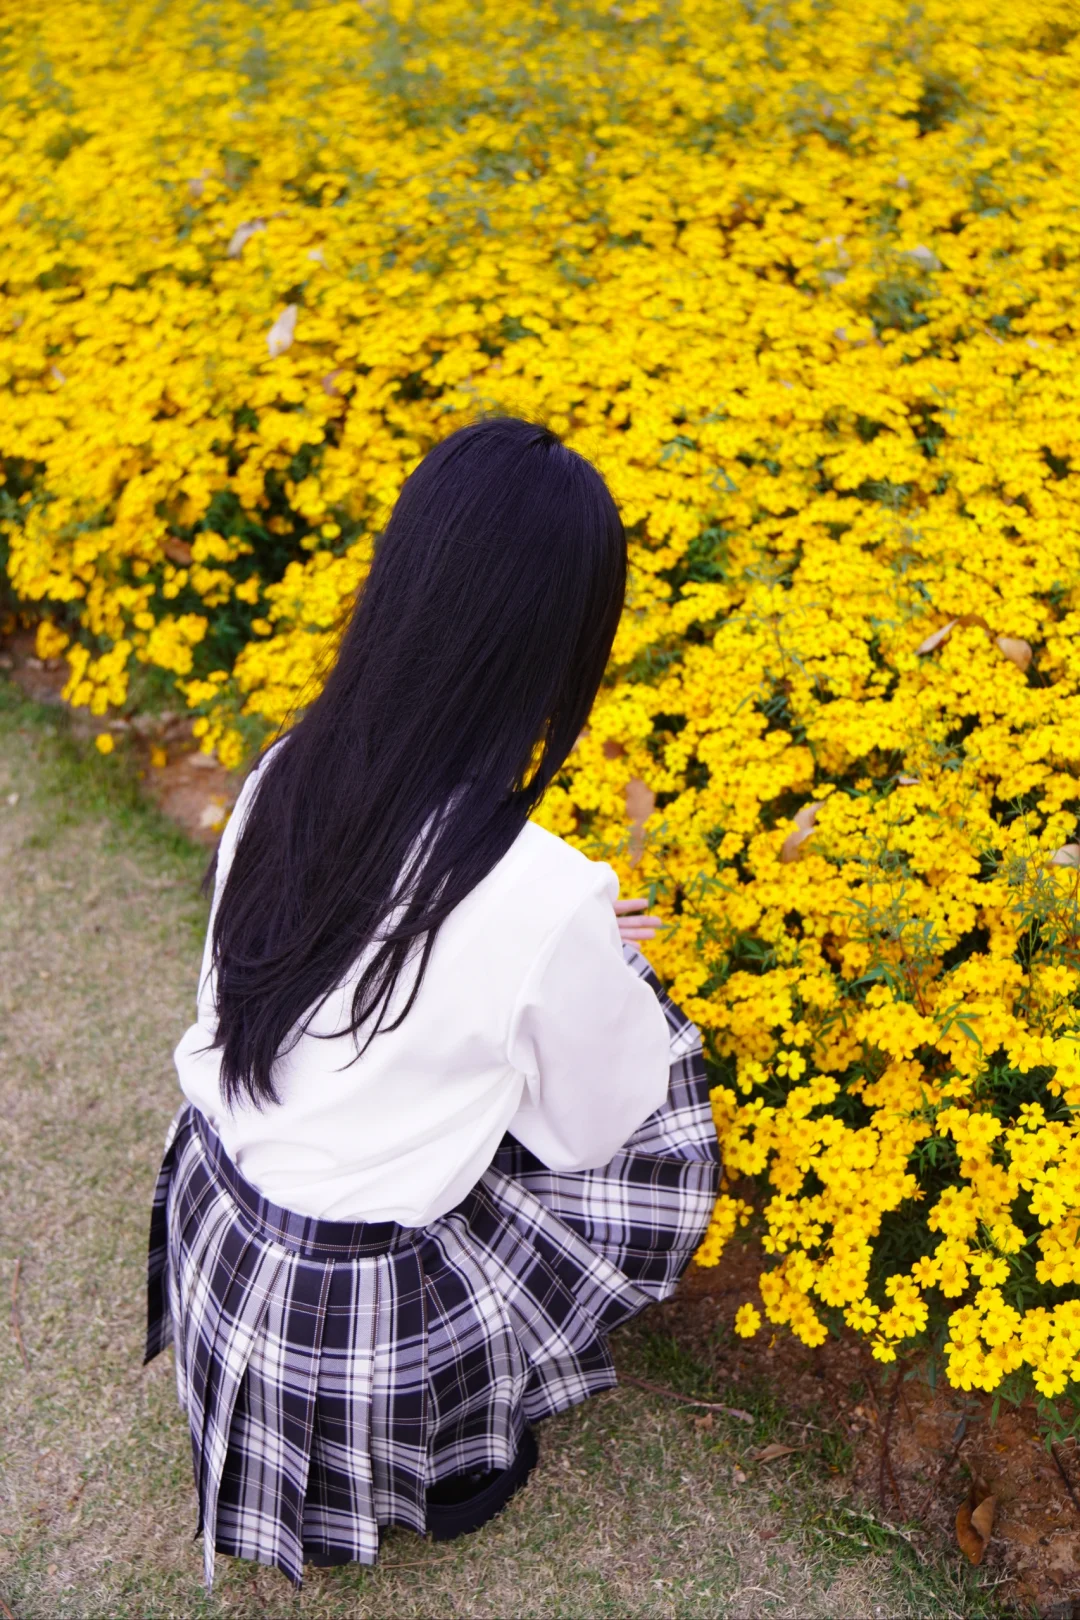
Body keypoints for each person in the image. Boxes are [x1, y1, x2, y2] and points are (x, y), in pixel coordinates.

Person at [143, 415, 720, 1590]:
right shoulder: (546, 890)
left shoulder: (286, 767)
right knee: (658, 1086)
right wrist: (585, 969)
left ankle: (359, 1449)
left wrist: (533, 959)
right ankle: (446, 1454)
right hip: (361, 1312)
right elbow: (592, 1131)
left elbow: (309, 964)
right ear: (557, 651)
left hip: (223, 1238)